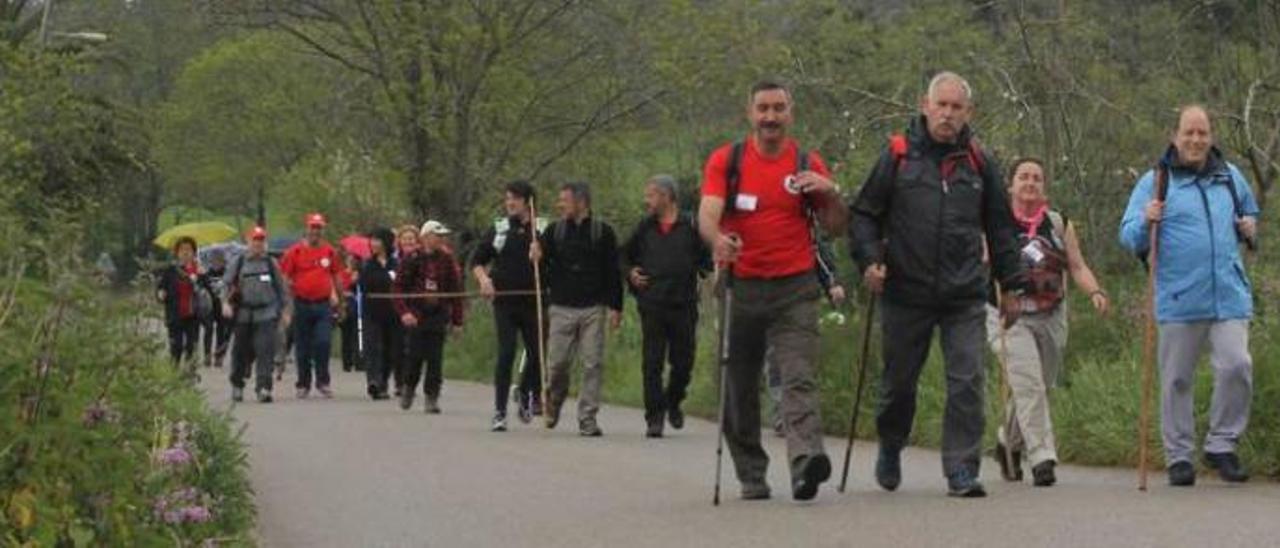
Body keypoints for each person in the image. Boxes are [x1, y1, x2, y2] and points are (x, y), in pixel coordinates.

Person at [849, 71, 1025, 498]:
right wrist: (870, 260)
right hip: (904, 291)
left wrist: (1012, 285)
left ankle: (961, 469)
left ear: (968, 113)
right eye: (940, 105)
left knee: (966, 380)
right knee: (899, 385)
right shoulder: (897, 155)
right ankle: (891, 444)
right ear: (925, 106)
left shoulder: (981, 163)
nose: (947, 114)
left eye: (956, 107)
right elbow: (864, 214)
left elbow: (1002, 229)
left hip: (964, 293)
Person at [698, 80, 847, 501]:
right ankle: (751, 472)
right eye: (763, 108)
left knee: (797, 376)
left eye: (778, 109)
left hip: (794, 287)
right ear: (750, 113)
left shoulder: (805, 162)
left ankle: (805, 463)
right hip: (740, 286)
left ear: (790, 114)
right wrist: (718, 241)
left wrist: (830, 191)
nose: (770, 117)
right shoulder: (727, 161)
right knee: (738, 383)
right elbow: (708, 215)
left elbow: (836, 226)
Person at [1119, 105, 1259, 487]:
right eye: (1189, 133)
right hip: (1179, 297)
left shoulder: (1230, 177)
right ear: (1174, 136)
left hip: (1228, 295)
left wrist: (1250, 227)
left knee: (1237, 365)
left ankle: (1221, 445)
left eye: (1202, 133)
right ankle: (1179, 456)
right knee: (1177, 379)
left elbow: (1250, 219)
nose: (1196, 140)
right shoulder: (1156, 181)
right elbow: (1129, 236)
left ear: (1211, 136)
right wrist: (1146, 218)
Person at [989, 157, 1109, 487]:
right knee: (1028, 383)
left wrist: (1095, 291)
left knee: (1039, 386)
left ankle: (1007, 443)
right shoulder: (995, 222)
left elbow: (1077, 266)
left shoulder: (1057, 223)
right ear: (1011, 185)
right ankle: (1042, 456)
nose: (1030, 183)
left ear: (1044, 187)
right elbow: (981, 265)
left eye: (1037, 178)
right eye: (1023, 177)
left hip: (1051, 314)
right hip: (1009, 316)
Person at [529, 181, 623, 437]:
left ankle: (587, 419)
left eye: (565, 200)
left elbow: (613, 272)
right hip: (561, 306)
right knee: (557, 364)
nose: (561, 205)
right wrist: (536, 253)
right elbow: (540, 261)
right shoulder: (553, 231)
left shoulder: (603, 232)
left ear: (581, 202)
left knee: (593, 363)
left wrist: (616, 307)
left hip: (594, 307)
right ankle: (555, 400)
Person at [621, 174, 711, 438]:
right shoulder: (644, 227)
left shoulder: (691, 226)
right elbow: (623, 255)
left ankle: (673, 399)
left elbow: (706, 260)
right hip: (652, 303)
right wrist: (630, 273)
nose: (646, 200)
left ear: (667, 196)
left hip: (684, 304)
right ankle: (655, 417)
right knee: (652, 362)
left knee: (683, 362)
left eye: (650, 195)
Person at [471, 180, 547, 432]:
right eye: (507, 198)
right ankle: (499, 411)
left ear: (528, 201)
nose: (510, 203)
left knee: (538, 353)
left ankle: (525, 392)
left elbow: (557, 264)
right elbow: (477, 260)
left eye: (515, 198)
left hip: (534, 300)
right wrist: (484, 280)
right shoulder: (499, 228)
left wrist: (542, 256)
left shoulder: (544, 228)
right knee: (506, 353)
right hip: (504, 301)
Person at [766, 239, 846, 437]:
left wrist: (832, 284)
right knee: (774, 358)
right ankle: (781, 413)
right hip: (765, 296)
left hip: (799, 298)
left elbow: (817, 252)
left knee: (800, 358)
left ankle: (799, 414)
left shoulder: (801, 222)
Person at [393, 220, 465, 414]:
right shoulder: (412, 259)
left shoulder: (447, 260)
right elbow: (398, 288)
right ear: (426, 237)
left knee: (435, 359)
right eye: (437, 235)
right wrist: (404, 312)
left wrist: (457, 321)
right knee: (415, 356)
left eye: (442, 236)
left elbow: (455, 291)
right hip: (416, 314)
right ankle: (409, 386)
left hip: (437, 315)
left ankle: (432, 397)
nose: (441, 239)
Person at [223, 226, 292, 403]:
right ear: (248, 241)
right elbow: (225, 285)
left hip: (266, 313)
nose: (258, 244)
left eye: (261, 240)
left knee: (265, 351)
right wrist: (225, 304)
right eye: (255, 240)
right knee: (240, 352)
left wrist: (286, 311)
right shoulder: (238, 262)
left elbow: (282, 289)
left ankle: (264, 388)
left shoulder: (271, 263)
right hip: (243, 314)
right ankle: (237, 385)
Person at [279, 213, 343, 399]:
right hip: (301, 303)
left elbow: (337, 276)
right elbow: (284, 278)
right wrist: (286, 304)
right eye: (313, 227)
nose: (315, 231)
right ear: (307, 229)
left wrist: (341, 302)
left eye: (319, 227)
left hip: (323, 304)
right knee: (303, 346)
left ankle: (323, 381)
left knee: (323, 342)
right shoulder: (295, 252)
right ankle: (303, 383)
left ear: (323, 230)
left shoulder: (330, 252)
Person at [156, 236, 212, 372]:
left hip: (193, 315)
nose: (185, 253)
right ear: (177, 253)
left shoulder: (199, 270)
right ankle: (173, 376)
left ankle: (190, 377)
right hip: (175, 315)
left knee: (191, 347)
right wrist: (160, 294)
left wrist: (203, 276)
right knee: (176, 347)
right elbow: (160, 287)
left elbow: (209, 292)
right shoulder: (171, 270)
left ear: (194, 252)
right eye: (182, 250)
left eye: (189, 249)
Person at [359, 228, 400, 400]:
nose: (374, 244)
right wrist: (386, 281)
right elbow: (366, 284)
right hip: (372, 312)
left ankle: (383, 382)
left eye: (377, 240)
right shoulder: (368, 264)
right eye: (372, 240)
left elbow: (401, 283)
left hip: (392, 312)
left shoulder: (396, 264)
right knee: (373, 347)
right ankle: (373, 381)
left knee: (390, 348)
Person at [390, 225, 422, 397]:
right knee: (398, 346)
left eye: (412, 238)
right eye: (405, 238)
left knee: (413, 346)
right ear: (399, 242)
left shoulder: (422, 259)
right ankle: (399, 381)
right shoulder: (393, 260)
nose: (408, 241)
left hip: (416, 307)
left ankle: (409, 381)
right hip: (397, 307)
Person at [202, 250, 234, 368]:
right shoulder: (206, 274)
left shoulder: (227, 274)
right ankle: (207, 355)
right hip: (209, 306)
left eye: (219, 261)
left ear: (223, 262)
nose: (217, 263)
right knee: (208, 329)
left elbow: (232, 288)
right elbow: (201, 288)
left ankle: (219, 356)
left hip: (222, 305)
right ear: (211, 262)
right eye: (214, 261)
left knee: (222, 331)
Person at [338, 249, 361, 372]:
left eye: (354, 260)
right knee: (346, 335)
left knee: (356, 334)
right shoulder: (342, 273)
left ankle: (358, 360)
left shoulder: (360, 274)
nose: (351, 262)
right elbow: (340, 287)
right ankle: (347, 362)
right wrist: (350, 282)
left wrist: (357, 279)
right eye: (349, 259)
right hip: (346, 305)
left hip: (357, 306)